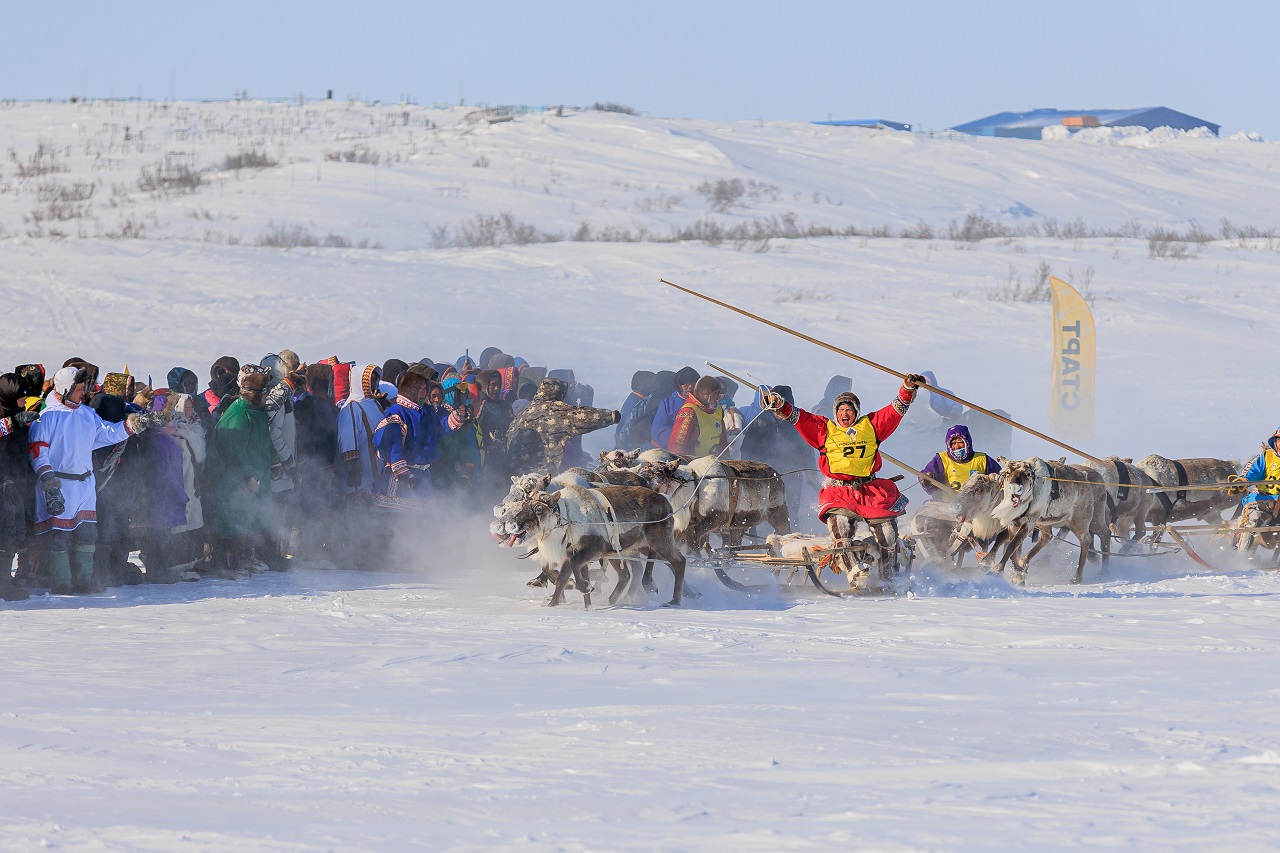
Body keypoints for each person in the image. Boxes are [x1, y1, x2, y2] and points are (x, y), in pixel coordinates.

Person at [763, 373, 926, 584]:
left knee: (887, 533)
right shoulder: (825, 429)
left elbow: (894, 411)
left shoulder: (871, 425)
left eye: (849, 409)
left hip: (869, 489)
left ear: (856, 411)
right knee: (840, 528)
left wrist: (907, 389)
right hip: (839, 491)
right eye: (840, 410)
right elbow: (800, 418)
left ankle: (890, 578)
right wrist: (781, 405)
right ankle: (854, 570)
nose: (844, 413)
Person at [28, 366, 154, 593]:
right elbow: (38, 451)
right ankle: (62, 583)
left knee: (87, 535)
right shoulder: (47, 416)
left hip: (85, 484)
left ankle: (84, 581)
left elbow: (106, 433)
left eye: (83, 388)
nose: (82, 393)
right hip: (58, 483)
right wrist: (48, 480)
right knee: (60, 537)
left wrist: (131, 426)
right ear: (65, 389)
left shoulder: (86, 414)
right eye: (77, 388)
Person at [206, 368, 275, 575]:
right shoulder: (238, 413)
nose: (267, 397)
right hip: (235, 479)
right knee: (234, 519)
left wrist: (275, 462)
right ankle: (227, 562)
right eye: (264, 393)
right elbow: (232, 450)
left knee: (251, 517)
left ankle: (245, 557)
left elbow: (263, 442)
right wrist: (247, 476)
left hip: (256, 475)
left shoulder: (256, 412)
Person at [505, 378, 619, 476]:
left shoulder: (521, 415)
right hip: (544, 476)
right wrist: (611, 416)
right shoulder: (554, 410)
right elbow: (583, 417)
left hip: (516, 476)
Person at [919, 424, 1001, 498]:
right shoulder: (942, 459)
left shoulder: (982, 459)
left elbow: (1000, 479)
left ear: (967, 442)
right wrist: (926, 481)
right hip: (946, 505)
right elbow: (926, 475)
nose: (957, 446)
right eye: (953, 443)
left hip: (977, 506)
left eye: (960, 442)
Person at [1235, 427, 1280, 554]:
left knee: (1270, 542)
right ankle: (1240, 558)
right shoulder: (1266, 457)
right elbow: (1252, 472)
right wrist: (1243, 481)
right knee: (1253, 519)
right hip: (1263, 501)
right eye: (1279, 441)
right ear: (1274, 442)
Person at [667, 376, 727, 457]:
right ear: (706, 393)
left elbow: (722, 440)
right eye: (715, 393)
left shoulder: (718, 411)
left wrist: (726, 459)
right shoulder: (689, 412)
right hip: (694, 465)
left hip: (713, 463)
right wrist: (681, 464)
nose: (717, 397)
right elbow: (677, 445)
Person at [651, 366, 699, 449]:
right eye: (686, 383)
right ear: (679, 385)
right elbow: (659, 429)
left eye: (693, 383)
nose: (690, 386)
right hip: (670, 449)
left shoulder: (702, 404)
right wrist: (679, 440)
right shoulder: (668, 404)